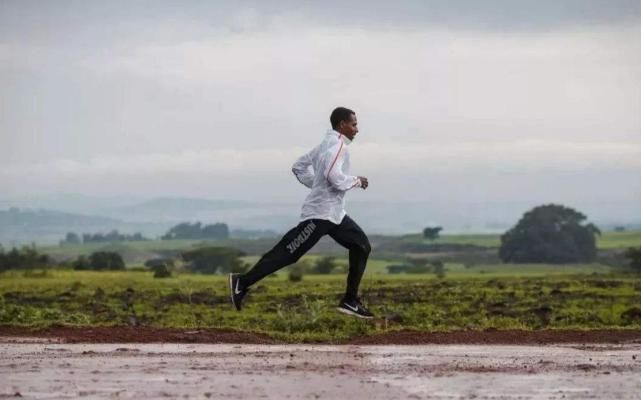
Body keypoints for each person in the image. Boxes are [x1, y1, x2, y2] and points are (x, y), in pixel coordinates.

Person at [229, 107, 374, 319]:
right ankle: (242, 282)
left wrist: (316, 185)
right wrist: (357, 181)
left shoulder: (325, 145)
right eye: (354, 124)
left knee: (362, 246)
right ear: (342, 125)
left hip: (335, 215)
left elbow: (299, 167)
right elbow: (334, 178)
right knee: (288, 252)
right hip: (319, 215)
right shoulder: (338, 146)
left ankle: (350, 300)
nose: (357, 129)